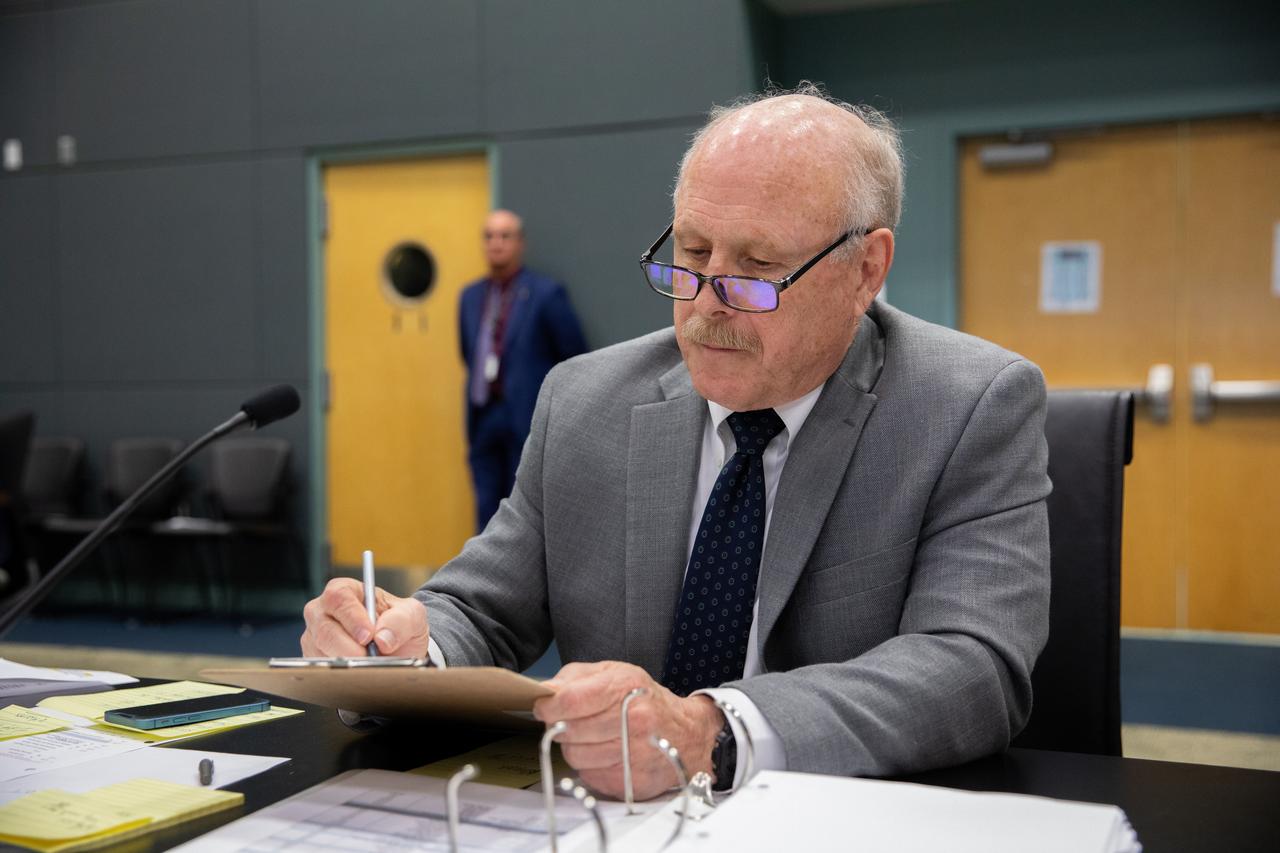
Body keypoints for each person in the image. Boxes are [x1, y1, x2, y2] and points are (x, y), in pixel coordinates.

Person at [303, 84, 1050, 802]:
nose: (704, 306)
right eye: (691, 254)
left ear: (866, 270)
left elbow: (973, 666)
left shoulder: (967, 406)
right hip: (611, 817)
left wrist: (711, 733)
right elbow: (484, 608)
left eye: (757, 267)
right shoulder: (586, 401)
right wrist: (400, 650)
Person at [458, 210, 588, 532]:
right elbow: (467, 352)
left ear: (520, 243)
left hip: (527, 419)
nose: (496, 243)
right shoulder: (470, 297)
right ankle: (483, 567)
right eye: (489, 236)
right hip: (484, 416)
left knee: (523, 515)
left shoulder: (546, 294)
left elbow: (574, 357)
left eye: (505, 236)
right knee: (486, 510)